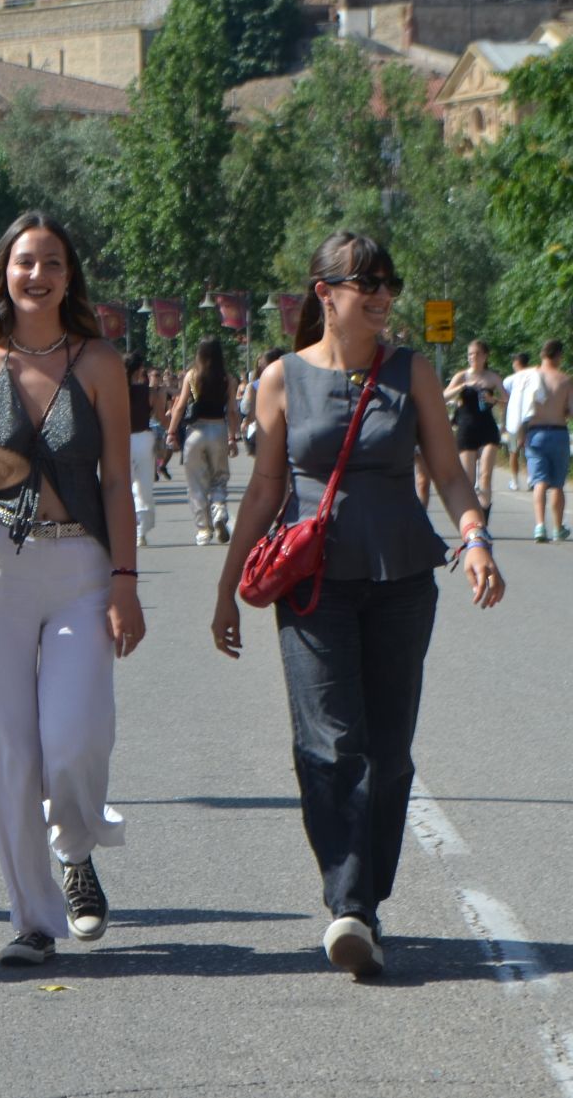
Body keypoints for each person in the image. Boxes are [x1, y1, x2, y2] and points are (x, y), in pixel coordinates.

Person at [211, 231, 502, 978]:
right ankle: (352, 904)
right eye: (365, 283)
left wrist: (474, 538)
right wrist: (227, 589)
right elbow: (266, 488)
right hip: (313, 586)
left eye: (388, 283)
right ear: (326, 293)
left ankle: (365, 893)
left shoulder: (413, 371)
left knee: (390, 748)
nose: (381, 296)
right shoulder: (281, 378)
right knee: (329, 742)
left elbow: (447, 470)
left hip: (403, 579)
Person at [0, 211, 141, 967]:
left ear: (69, 277)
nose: (37, 274)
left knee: (75, 739)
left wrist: (127, 581)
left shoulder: (99, 364)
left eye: (52, 262)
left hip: (81, 567)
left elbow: (116, 479)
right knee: (8, 755)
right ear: (5, 272)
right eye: (25, 261)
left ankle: (75, 848)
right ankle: (33, 918)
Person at [165, 337, 243, 545]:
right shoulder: (228, 379)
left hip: (195, 432)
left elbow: (180, 406)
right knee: (219, 476)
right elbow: (233, 411)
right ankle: (219, 510)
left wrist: (171, 432)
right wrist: (232, 437)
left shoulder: (192, 376)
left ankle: (203, 530)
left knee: (196, 484)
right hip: (218, 429)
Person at [444, 340, 504, 521]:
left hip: (487, 429)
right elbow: (443, 395)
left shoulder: (492, 377)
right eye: (470, 354)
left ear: (485, 356)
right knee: (468, 480)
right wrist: (461, 388)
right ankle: (472, 518)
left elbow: (508, 400)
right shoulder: (462, 376)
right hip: (466, 429)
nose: (473, 358)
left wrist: (492, 399)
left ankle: (483, 519)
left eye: (477, 354)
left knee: (485, 476)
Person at [525, 340, 572, 541]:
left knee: (539, 482)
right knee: (557, 484)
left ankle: (539, 526)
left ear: (543, 354)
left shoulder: (529, 378)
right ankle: (558, 527)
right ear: (559, 355)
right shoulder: (565, 380)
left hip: (535, 433)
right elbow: (570, 410)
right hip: (559, 433)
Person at [124, 353, 163, 547]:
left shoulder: (115, 391)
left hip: (121, 439)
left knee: (124, 485)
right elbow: (159, 416)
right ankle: (141, 530)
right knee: (144, 484)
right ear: (140, 370)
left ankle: (125, 527)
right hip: (143, 438)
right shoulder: (148, 392)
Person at [503, 352, 539, 492]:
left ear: (516, 362)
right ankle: (531, 479)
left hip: (514, 419)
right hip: (531, 416)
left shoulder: (509, 380)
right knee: (530, 450)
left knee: (514, 451)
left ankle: (514, 481)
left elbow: (506, 398)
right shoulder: (535, 375)